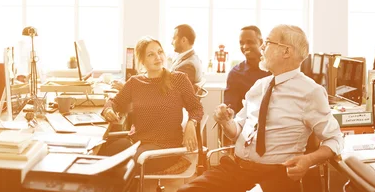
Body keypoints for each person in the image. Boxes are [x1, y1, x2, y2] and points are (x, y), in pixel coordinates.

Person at [175, 25, 343, 192]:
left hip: (276, 175)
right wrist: (226, 122)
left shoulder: (310, 92)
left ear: (286, 51)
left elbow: (335, 139)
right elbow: (238, 131)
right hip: (237, 168)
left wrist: (308, 160)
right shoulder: (259, 86)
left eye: (268, 42)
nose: (262, 47)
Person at [100, 36, 204, 174]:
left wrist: (192, 123)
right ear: (142, 61)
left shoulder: (178, 79)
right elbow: (115, 102)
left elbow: (196, 107)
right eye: (151, 54)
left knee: (124, 168)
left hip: (166, 149)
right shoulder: (134, 83)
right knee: (100, 156)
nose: (158, 57)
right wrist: (108, 109)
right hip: (138, 143)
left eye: (160, 52)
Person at [112, 24, 203, 91]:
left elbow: (168, 92)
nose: (172, 42)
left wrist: (127, 88)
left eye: (174, 38)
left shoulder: (188, 65)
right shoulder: (192, 58)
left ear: (183, 40)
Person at [224, 25, 271, 113]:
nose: (245, 46)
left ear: (261, 42)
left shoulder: (274, 69)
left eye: (250, 42)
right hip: (246, 123)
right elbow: (230, 106)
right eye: (241, 43)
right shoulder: (235, 74)